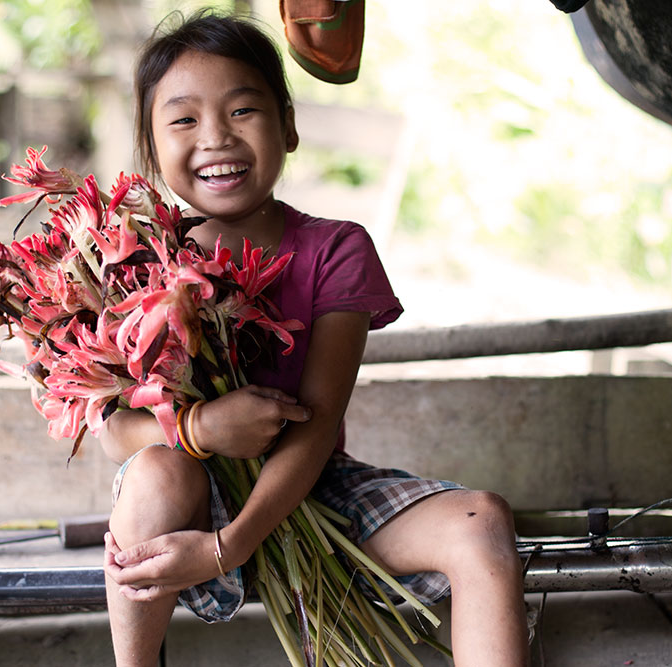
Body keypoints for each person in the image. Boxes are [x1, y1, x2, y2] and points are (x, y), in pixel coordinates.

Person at [98, 10, 529, 667]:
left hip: (315, 492)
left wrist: (233, 545)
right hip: (188, 510)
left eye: (242, 110)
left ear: (289, 125)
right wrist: (202, 429)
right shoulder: (134, 262)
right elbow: (114, 432)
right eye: (183, 119)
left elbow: (319, 420)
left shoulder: (335, 250)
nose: (215, 137)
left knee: (484, 523)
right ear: (150, 147)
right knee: (157, 470)